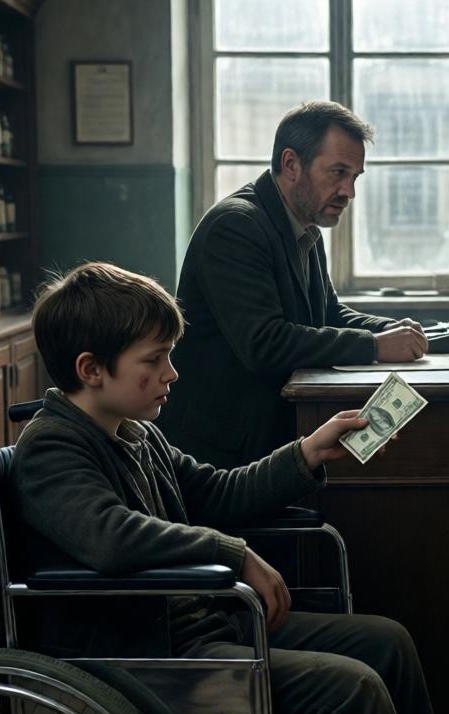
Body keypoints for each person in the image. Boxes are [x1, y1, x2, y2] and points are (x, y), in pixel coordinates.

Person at [13, 261, 434, 714]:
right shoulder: (51, 445)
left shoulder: (137, 433)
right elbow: (111, 537)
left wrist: (308, 452)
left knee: (388, 642)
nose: (171, 373)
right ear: (91, 369)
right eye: (154, 360)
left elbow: (216, 492)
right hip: (143, 654)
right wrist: (232, 552)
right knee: (353, 686)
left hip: (206, 624)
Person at [160, 100, 429, 468]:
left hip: (264, 438)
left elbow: (328, 313)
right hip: (219, 454)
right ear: (291, 164)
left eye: (355, 177)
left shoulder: (303, 224)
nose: (349, 191)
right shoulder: (236, 226)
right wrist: (375, 346)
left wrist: (388, 330)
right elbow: (264, 343)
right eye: (338, 172)